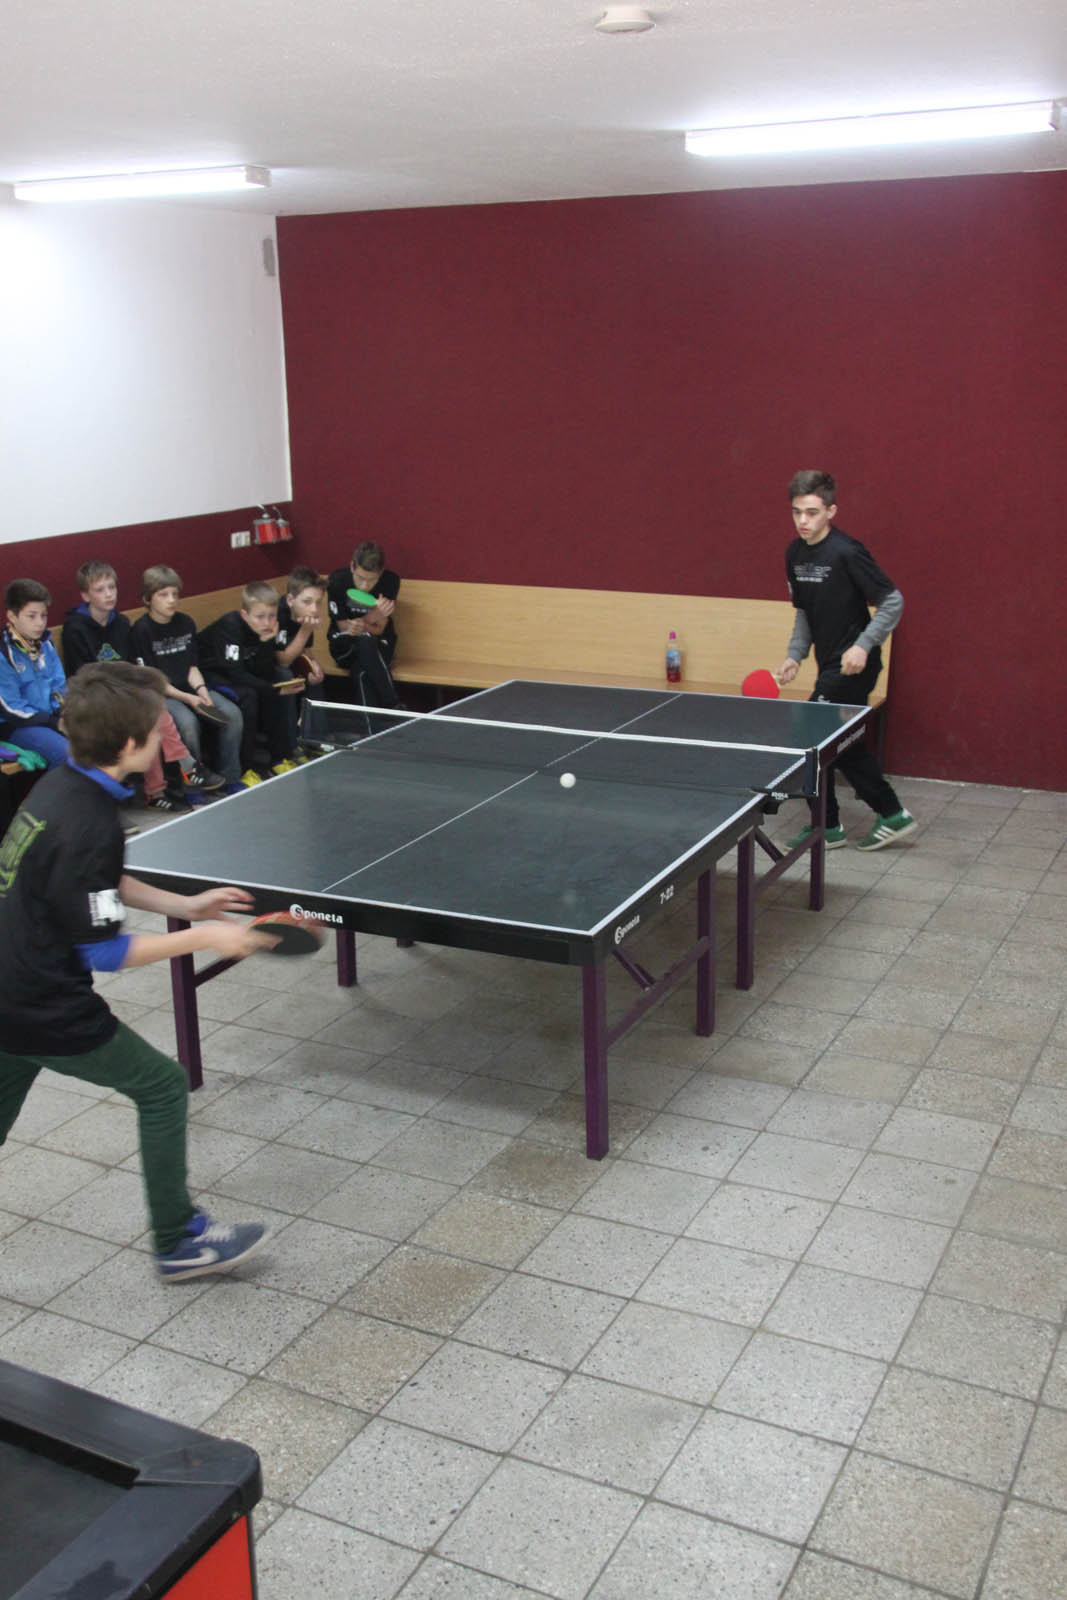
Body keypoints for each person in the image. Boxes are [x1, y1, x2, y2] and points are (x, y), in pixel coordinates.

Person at [0, 661, 272, 1281]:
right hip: (43, 1003)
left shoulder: (60, 786)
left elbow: (93, 880)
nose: (162, 735)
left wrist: (185, 906)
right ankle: (177, 1242)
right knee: (162, 1086)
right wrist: (208, 936)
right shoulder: (91, 821)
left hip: (5, 985)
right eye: (155, 730)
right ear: (128, 746)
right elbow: (101, 953)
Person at [777, 469, 916, 852]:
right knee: (841, 743)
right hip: (829, 665)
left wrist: (864, 645)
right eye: (797, 512)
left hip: (854, 666)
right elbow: (804, 612)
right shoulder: (794, 554)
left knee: (810, 736)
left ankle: (835, 823)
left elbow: (893, 601)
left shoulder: (847, 552)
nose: (803, 521)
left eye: (812, 512)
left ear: (831, 511)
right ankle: (882, 815)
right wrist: (794, 656)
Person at [64, 560, 224, 811]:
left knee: (152, 712)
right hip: (96, 697)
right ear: (86, 596)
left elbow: (131, 667)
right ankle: (186, 766)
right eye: (100, 590)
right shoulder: (75, 628)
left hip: (123, 692)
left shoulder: (121, 623)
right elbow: (83, 675)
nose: (109, 594)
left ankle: (156, 791)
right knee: (151, 711)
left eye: (112, 587)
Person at [128, 566, 244, 788]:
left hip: (190, 689)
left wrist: (202, 692)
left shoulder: (186, 623)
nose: (171, 600)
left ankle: (230, 778)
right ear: (147, 599)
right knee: (188, 723)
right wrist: (189, 699)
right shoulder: (140, 631)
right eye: (163, 595)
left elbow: (192, 667)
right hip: (163, 695)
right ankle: (192, 785)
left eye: (175, 594)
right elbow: (153, 681)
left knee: (233, 714)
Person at [197, 581, 300, 785]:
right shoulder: (230, 626)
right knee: (250, 695)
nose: (267, 622)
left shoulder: (271, 628)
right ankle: (245, 768)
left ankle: (280, 756)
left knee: (281, 679)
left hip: (240, 672)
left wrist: (266, 643)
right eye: (259, 617)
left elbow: (265, 670)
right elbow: (235, 673)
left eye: (271, 616)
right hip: (212, 674)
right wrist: (271, 689)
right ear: (245, 615)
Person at [326, 540, 400, 727]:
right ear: (352, 566)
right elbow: (343, 628)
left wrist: (363, 626)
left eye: (371, 580)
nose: (365, 585)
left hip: (377, 645)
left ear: (381, 573)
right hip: (344, 644)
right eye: (360, 578)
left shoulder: (391, 581)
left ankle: (371, 734)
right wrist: (369, 619)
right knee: (364, 642)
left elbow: (379, 629)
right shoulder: (337, 581)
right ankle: (392, 703)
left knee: (362, 671)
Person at [0, 580, 69, 768]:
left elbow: (59, 686)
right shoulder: (3, 654)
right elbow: (11, 708)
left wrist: (66, 713)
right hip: (17, 725)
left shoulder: (46, 645)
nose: (40, 623)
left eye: (43, 616)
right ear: (12, 616)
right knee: (66, 754)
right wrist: (55, 722)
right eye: (31, 616)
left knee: (99, 739)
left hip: (50, 719)